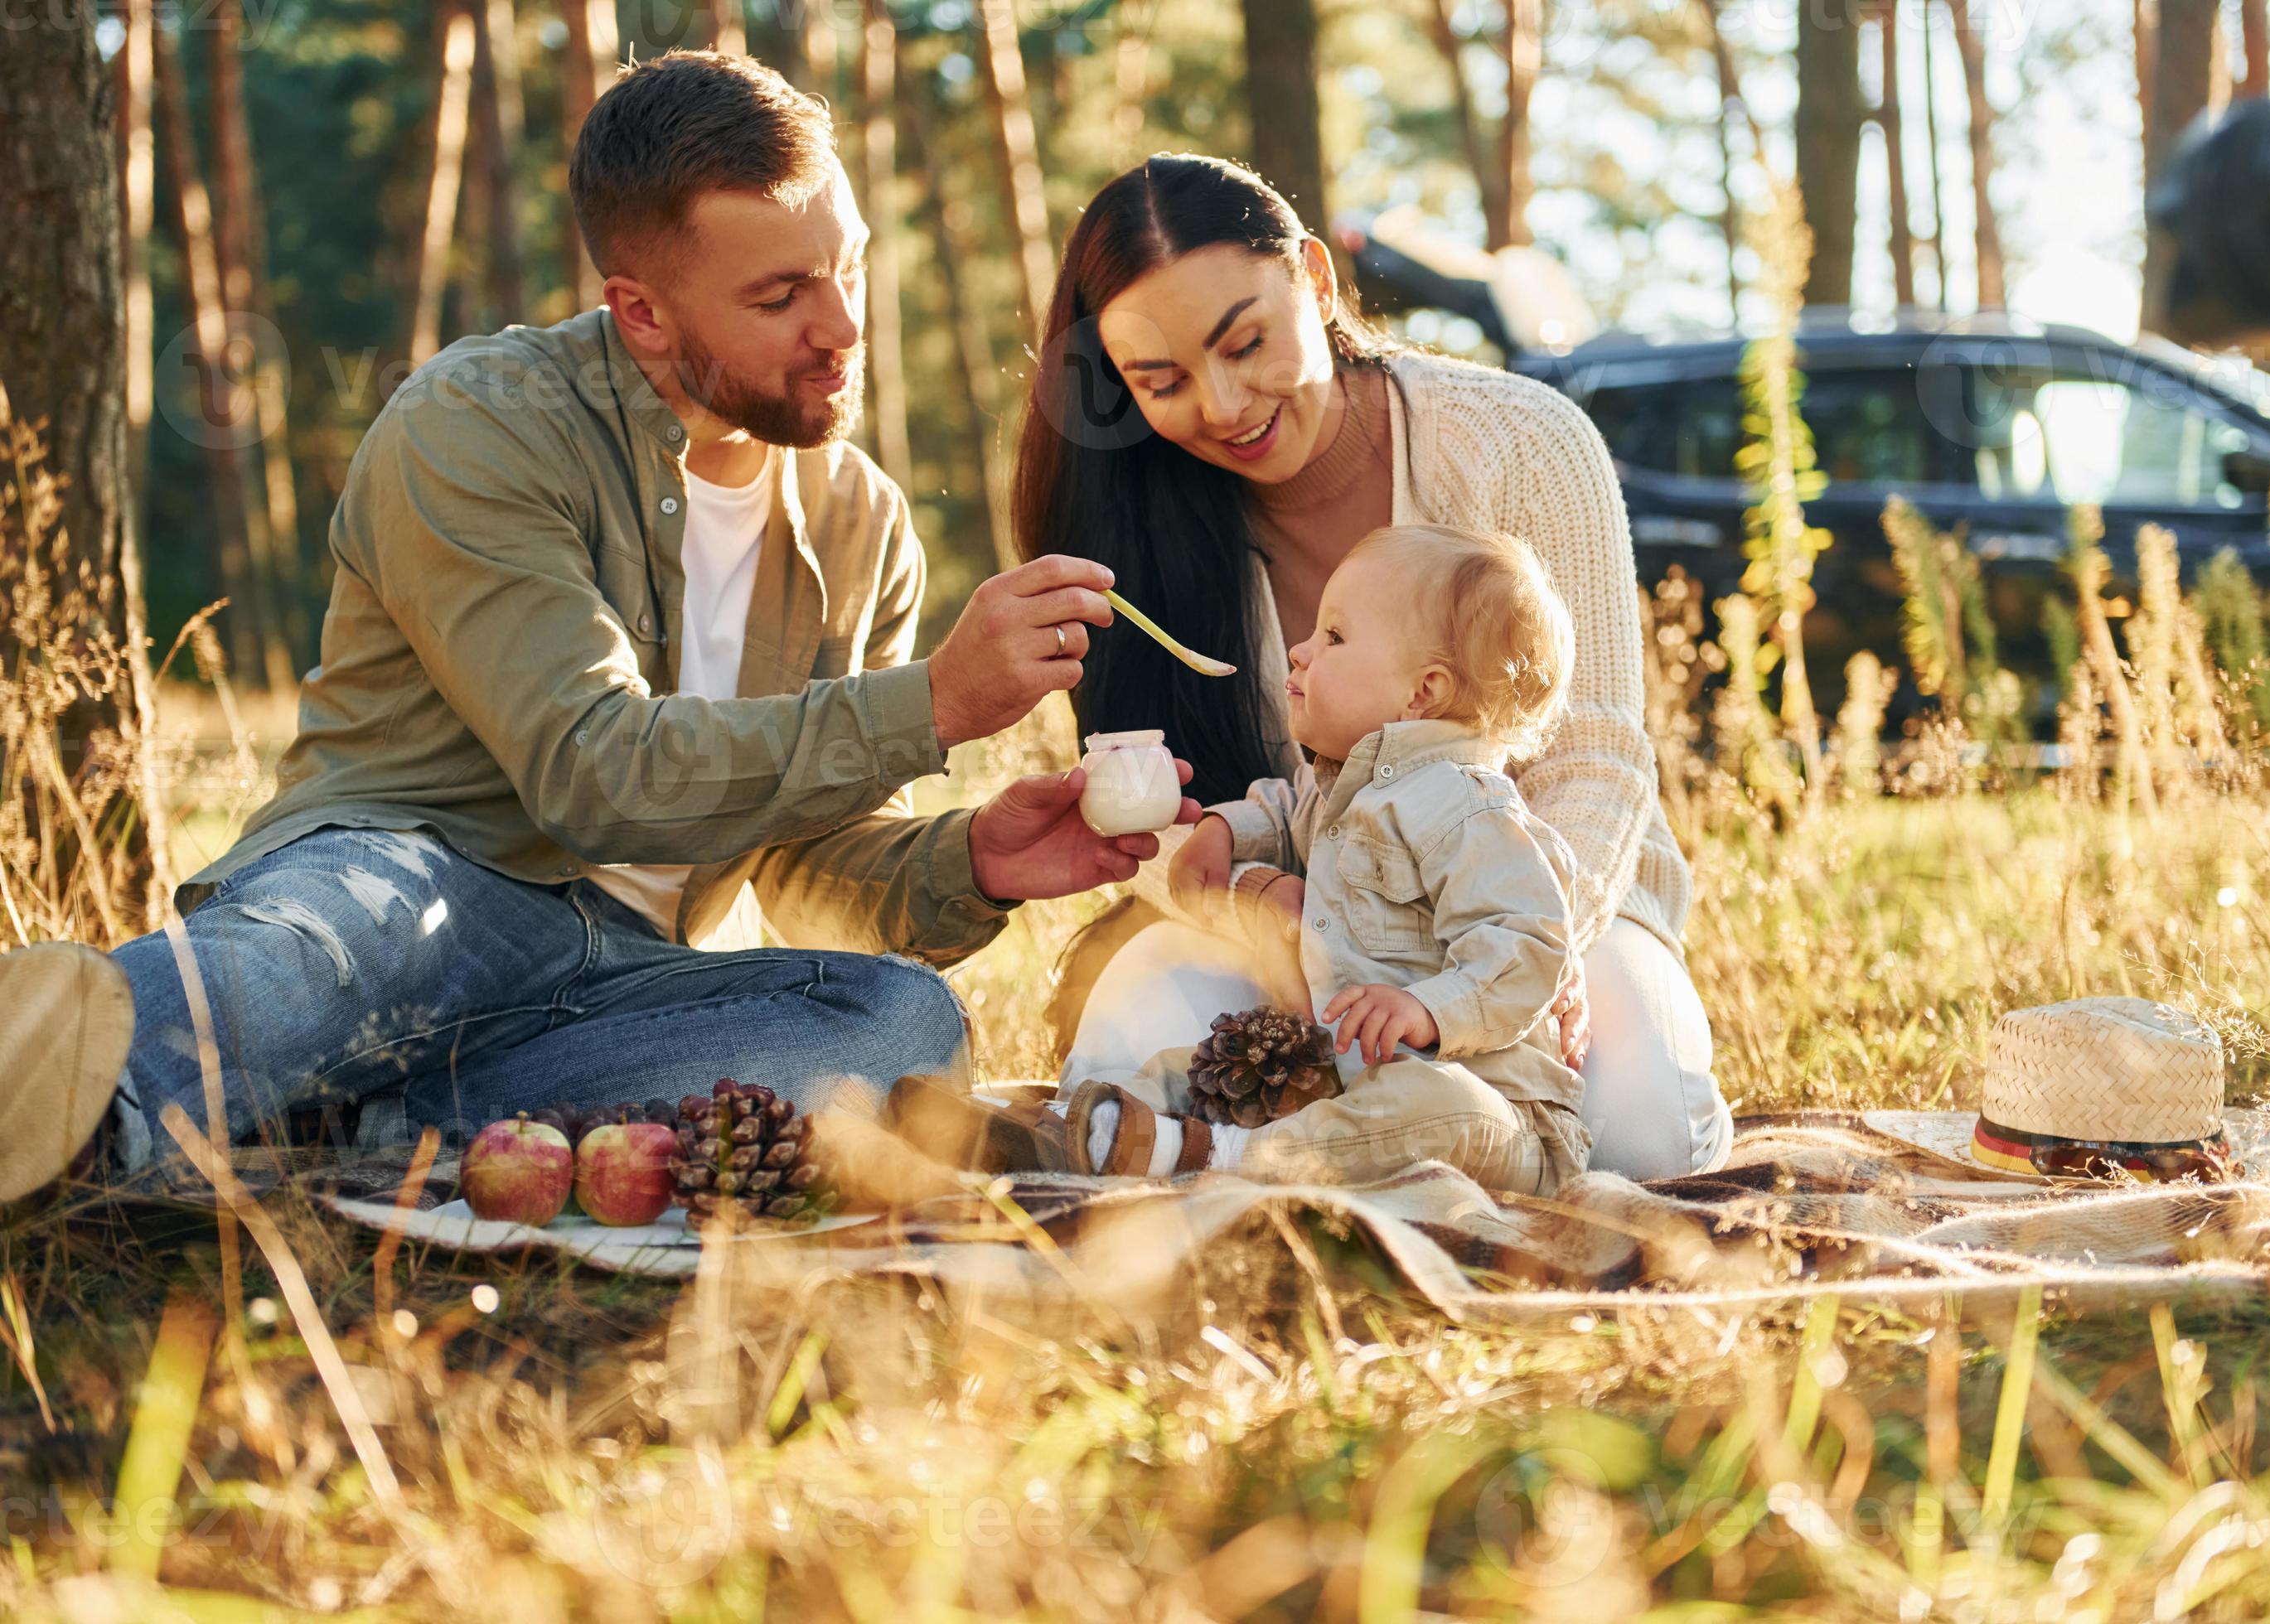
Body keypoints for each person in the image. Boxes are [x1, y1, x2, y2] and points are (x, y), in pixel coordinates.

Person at [0, 51, 1198, 1204]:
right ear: (642, 314)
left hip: (627, 977)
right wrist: (932, 703)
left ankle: (362, 1124)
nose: (841, 326)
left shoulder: (862, 524)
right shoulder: (481, 423)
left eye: (848, 268)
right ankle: (79, 1092)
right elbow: (591, 772)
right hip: (419, 886)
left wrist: (972, 858)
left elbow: (799, 856)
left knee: (898, 1023)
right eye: (779, 296)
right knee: (328, 947)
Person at [1012, 153, 1730, 1182]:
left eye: (1245, 344)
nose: (1220, 406)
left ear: (1313, 276)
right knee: (1130, 1053)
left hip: (1550, 910)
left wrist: (1535, 951)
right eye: (1161, 381)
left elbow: (1597, 760)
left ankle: (1292, 1167)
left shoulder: (1523, 444)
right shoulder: (1129, 520)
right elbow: (1154, 818)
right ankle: (1236, 1174)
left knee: (1641, 1139)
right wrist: (1261, 897)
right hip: (1302, 944)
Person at [1065, 524, 1589, 1192]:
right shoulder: (1342, 788)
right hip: (1353, 1077)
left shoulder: (1470, 809)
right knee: (1196, 1065)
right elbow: (1286, 812)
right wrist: (1227, 828)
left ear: (1421, 693)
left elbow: (1525, 944)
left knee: (1434, 1110)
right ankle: (1086, 1124)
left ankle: (1218, 1159)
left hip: (1499, 1114)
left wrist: (1430, 1009)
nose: (1301, 651)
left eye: (1334, 639)